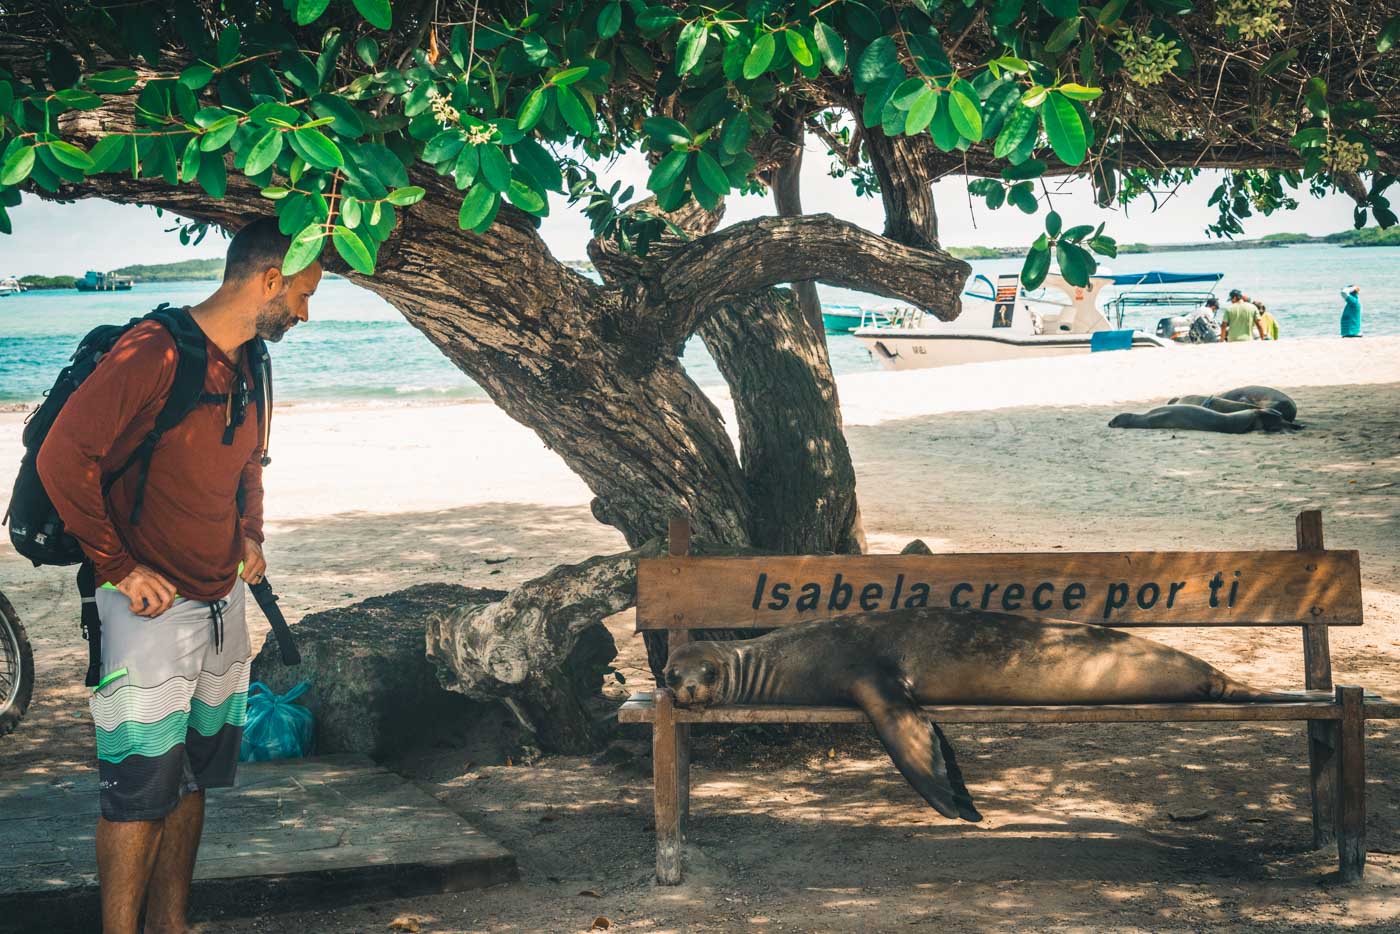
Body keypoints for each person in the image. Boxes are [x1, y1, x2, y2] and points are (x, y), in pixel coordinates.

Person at [36, 217, 319, 934]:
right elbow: (62, 461)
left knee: (192, 778)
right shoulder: (152, 352)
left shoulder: (250, 359)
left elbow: (250, 460)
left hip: (221, 602)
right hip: (146, 613)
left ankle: (173, 926)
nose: (306, 313)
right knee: (138, 789)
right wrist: (120, 567)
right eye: (304, 295)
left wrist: (250, 535)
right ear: (268, 280)